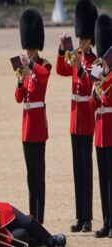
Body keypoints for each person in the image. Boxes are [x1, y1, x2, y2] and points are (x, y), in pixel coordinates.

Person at [55, 0, 98, 233]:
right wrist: (63, 49)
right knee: (76, 169)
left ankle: (89, 217)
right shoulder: (77, 54)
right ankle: (80, 217)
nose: (81, 41)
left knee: (86, 169)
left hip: (87, 119)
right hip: (74, 119)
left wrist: (81, 67)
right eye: (80, 38)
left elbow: (91, 82)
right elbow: (62, 70)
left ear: (90, 36)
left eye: (84, 38)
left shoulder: (94, 60)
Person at [14, 8, 51, 224]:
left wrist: (31, 65)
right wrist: (20, 80)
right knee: (30, 176)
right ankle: (32, 218)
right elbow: (19, 98)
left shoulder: (42, 65)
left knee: (39, 176)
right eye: (27, 48)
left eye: (31, 47)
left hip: (38, 127)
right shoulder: (26, 69)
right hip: (26, 128)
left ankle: (40, 218)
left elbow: (44, 76)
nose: (28, 51)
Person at [90, 14, 112, 238]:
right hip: (100, 134)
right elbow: (90, 105)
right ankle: (106, 222)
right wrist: (95, 95)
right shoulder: (97, 73)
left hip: (111, 132)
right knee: (103, 181)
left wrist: (103, 93)